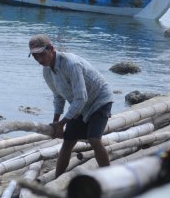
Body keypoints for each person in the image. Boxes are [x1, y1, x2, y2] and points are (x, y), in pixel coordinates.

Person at [28, 34, 113, 178]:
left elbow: (81, 98)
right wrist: (56, 121)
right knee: (68, 142)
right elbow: (58, 96)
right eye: (36, 57)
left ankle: (109, 176)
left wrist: (62, 123)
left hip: (99, 100)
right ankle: (57, 179)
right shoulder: (47, 70)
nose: (40, 60)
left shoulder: (71, 64)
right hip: (79, 105)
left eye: (42, 55)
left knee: (94, 139)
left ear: (51, 49)